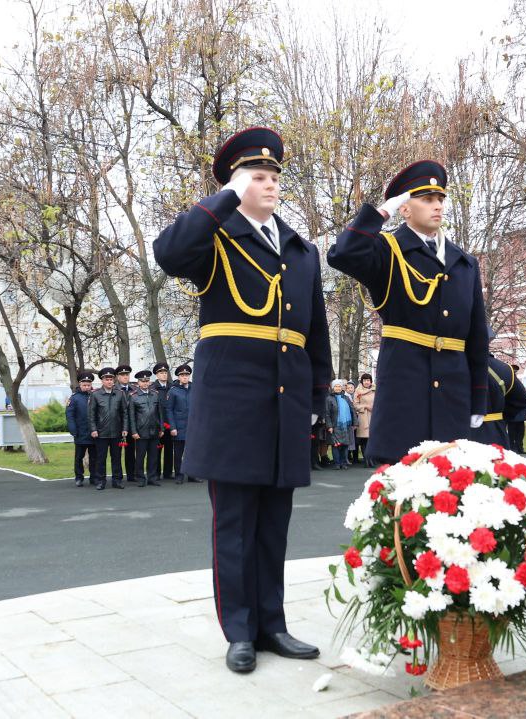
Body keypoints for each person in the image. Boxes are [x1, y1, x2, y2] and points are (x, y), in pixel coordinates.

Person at [154, 126, 332, 674]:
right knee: (233, 521)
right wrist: (225, 196)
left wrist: (317, 396)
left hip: (285, 400)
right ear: (235, 182)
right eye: (258, 176)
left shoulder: (302, 252)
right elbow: (168, 251)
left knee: (274, 521)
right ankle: (239, 631)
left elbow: (316, 332)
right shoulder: (215, 236)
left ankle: (272, 624)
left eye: (275, 176)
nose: (270, 184)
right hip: (232, 399)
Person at [327, 160, 490, 465]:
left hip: (453, 392)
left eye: (440, 199)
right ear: (405, 208)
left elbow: (477, 338)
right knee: (399, 483)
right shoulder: (387, 250)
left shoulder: (465, 263)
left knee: (451, 486)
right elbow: (342, 254)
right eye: (426, 199)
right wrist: (382, 212)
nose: (437, 206)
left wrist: (478, 397)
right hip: (405, 387)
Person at [89, 367, 130, 490]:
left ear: (114, 380)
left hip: (117, 432)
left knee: (116, 458)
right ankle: (101, 481)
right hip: (101, 433)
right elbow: (91, 414)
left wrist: (125, 428)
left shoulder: (120, 393)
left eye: (111, 379)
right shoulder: (95, 394)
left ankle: (117, 480)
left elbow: (124, 413)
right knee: (101, 459)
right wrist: (93, 429)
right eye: (106, 379)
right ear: (102, 380)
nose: (109, 381)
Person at [129, 370, 165, 487]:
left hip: (154, 430)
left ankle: (152, 477)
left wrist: (161, 428)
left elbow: (160, 413)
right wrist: (133, 431)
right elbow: (131, 416)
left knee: (153, 456)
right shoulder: (133, 397)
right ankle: (140, 478)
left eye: (147, 381)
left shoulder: (155, 394)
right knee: (140, 456)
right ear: (138, 382)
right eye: (142, 381)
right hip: (141, 431)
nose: (145, 383)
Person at [164, 364, 195, 484]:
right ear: (178, 377)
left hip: (192, 427)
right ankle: (179, 475)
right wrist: (172, 427)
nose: (185, 377)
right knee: (178, 454)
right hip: (178, 427)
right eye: (182, 375)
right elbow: (169, 410)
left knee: (192, 453)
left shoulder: (195, 389)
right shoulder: (173, 391)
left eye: (187, 375)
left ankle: (192, 475)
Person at [65, 370, 96, 487]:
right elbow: (70, 415)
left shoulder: (95, 396)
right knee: (79, 457)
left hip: (94, 433)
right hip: (80, 433)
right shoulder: (74, 398)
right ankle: (79, 477)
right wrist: (73, 431)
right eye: (84, 385)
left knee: (94, 457)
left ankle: (94, 477)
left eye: (89, 385)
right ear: (80, 384)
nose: (87, 387)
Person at [152, 362, 175, 481]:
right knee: (157, 449)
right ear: (156, 375)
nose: (164, 375)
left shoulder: (172, 387)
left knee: (169, 449)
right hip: (158, 424)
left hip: (170, 424)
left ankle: (167, 472)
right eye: (161, 373)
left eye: (165, 373)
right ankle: (156, 473)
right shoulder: (153, 388)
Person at [325, 379, 356, 470]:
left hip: (346, 425)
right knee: (336, 445)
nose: (338, 388)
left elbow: (352, 410)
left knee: (345, 445)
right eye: (336, 386)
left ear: (342, 387)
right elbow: (327, 413)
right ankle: (337, 463)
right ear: (333, 388)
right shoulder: (329, 398)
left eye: (339, 386)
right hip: (335, 425)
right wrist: (329, 426)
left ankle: (343, 463)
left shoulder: (346, 398)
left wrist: (355, 423)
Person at [115, 364, 136, 485]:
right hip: (118, 425)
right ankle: (118, 476)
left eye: (127, 375)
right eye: (123, 375)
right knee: (116, 453)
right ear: (118, 377)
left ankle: (131, 475)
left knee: (130, 451)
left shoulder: (134, 388)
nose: (125, 377)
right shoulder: (114, 389)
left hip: (131, 425)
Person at [505, 364, 526, 454]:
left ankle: (519, 447)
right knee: (512, 431)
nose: (514, 373)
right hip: (512, 411)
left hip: (520, 411)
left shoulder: (517, 382)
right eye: (513, 371)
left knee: (520, 432)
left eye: (515, 371)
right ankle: (512, 448)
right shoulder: (508, 382)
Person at [353, 373, 375, 467]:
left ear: (371, 381)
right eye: (365, 380)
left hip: (374, 416)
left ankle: (372, 459)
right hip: (364, 417)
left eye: (368, 380)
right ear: (362, 381)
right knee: (364, 440)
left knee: (373, 439)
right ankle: (366, 460)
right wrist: (365, 406)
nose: (366, 382)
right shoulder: (358, 391)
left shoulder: (375, 390)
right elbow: (355, 404)